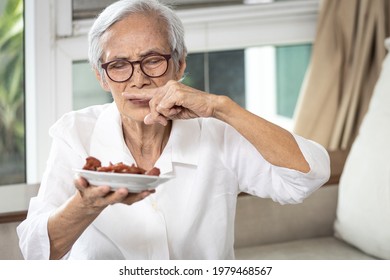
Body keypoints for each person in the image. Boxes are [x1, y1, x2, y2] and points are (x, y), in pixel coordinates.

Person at [17, 0, 330, 260]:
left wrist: (221, 106)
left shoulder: (215, 130)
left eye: (153, 61)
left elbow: (306, 176)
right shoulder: (75, 133)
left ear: (179, 65)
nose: (137, 80)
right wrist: (86, 205)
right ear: (102, 76)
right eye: (119, 65)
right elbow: (36, 251)